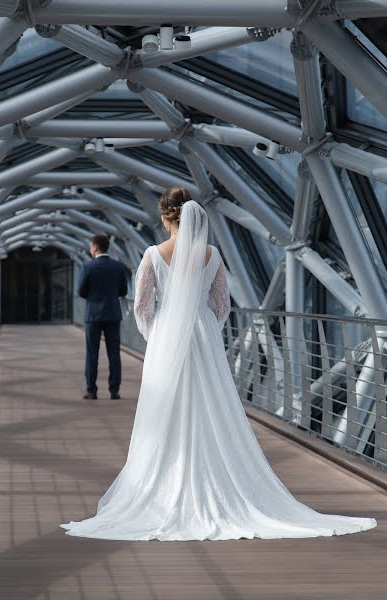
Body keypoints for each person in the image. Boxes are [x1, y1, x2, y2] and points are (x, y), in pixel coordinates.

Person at [61, 188, 377, 541]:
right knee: (211, 407)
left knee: (167, 410)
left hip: (167, 337)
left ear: (166, 219)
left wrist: (160, 336)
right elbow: (222, 304)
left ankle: (165, 485)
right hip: (204, 337)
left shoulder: (152, 255)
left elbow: (141, 307)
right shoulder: (211, 255)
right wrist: (206, 330)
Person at [78, 234, 128, 400]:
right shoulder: (118, 267)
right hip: (113, 314)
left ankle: (91, 390)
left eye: (91, 247)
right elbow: (124, 291)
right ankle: (114, 390)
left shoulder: (88, 267)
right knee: (114, 353)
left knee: (92, 353)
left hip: (93, 315)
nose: (90, 250)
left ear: (95, 247)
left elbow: (81, 292)